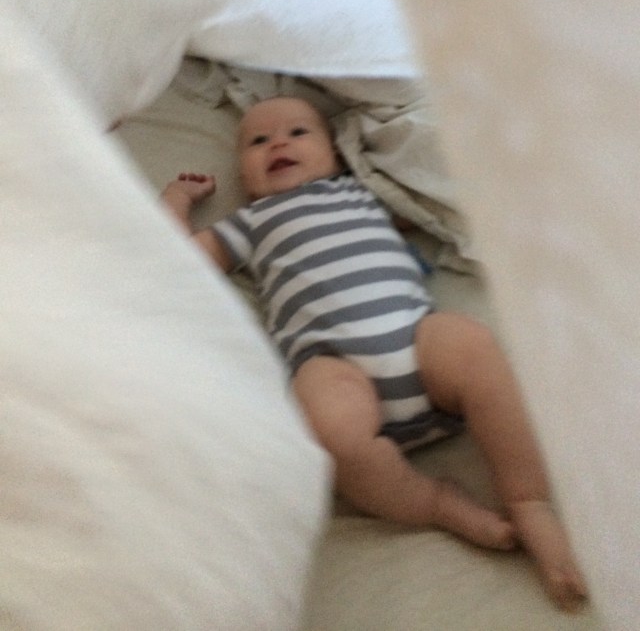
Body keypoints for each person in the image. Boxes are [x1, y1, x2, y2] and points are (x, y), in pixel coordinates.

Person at [161, 95, 587, 611]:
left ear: (336, 155)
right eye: (258, 140)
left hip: (420, 345)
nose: (278, 143)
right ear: (243, 175)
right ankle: (433, 504)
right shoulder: (250, 222)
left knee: (473, 343)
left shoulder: (362, 192)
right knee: (324, 427)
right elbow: (174, 258)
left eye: (298, 132)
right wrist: (178, 198)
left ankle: (528, 499)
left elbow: (434, 199)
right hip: (335, 367)